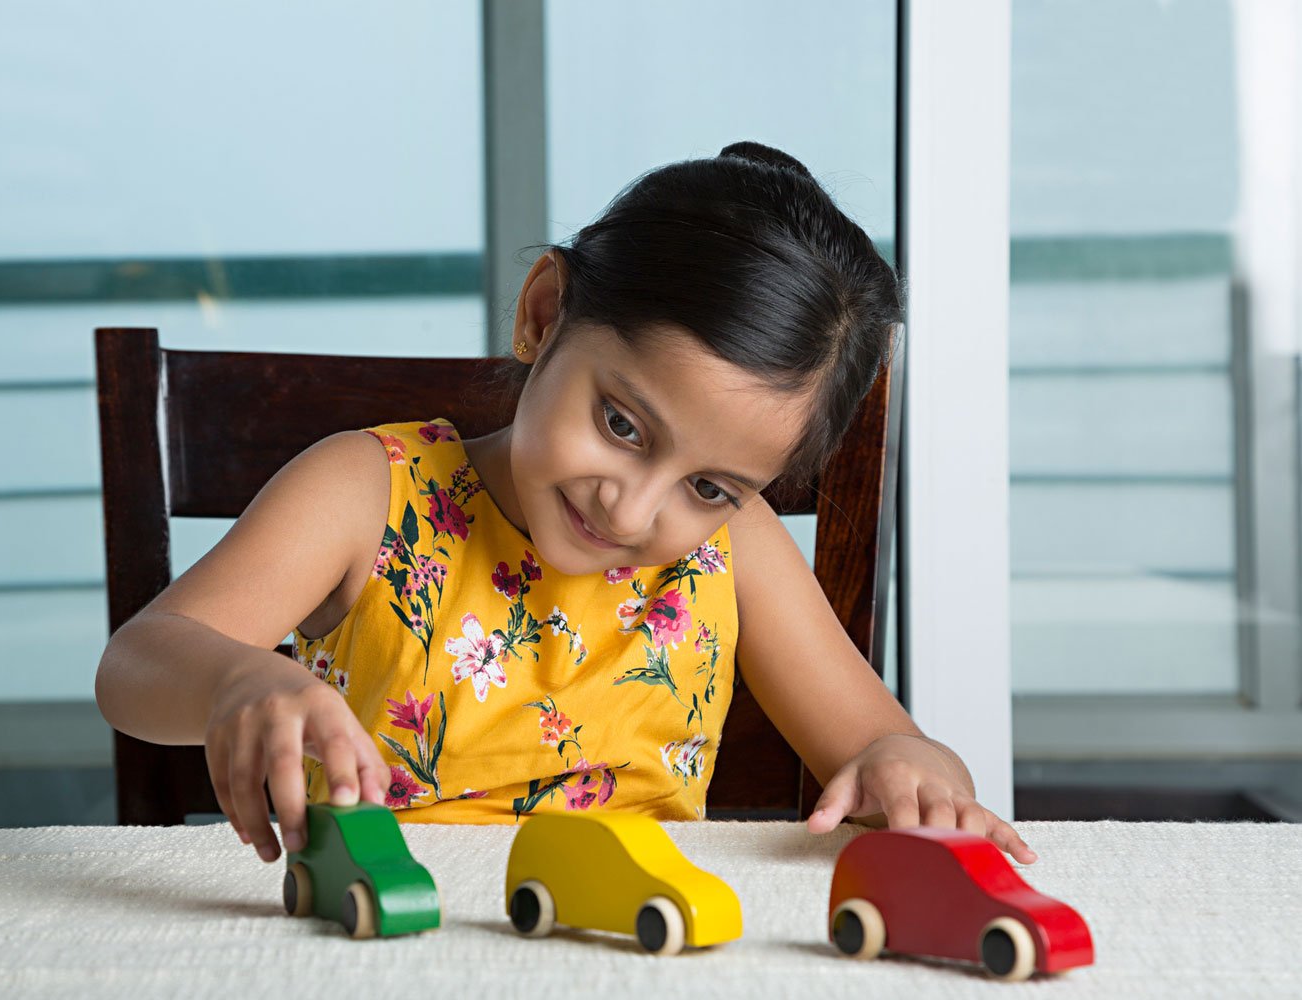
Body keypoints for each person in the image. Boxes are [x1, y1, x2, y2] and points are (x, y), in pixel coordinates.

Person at [95, 140, 1036, 868]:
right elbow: (134, 665)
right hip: (372, 940)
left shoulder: (734, 549)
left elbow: (885, 744)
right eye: (623, 424)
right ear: (543, 313)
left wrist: (914, 775)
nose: (630, 509)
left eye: (709, 486)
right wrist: (235, 680)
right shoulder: (366, 493)